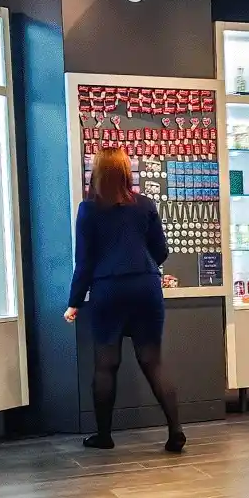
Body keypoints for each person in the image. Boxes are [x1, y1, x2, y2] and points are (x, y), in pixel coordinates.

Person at [64, 146, 185, 452]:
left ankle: (104, 436)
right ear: (127, 171)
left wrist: (75, 301)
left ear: (97, 174)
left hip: (109, 289)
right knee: (153, 361)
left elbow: (85, 261)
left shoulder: (89, 209)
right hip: (146, 286)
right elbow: (161, 252)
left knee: (106, 364)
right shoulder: (144, 205)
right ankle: (175, 432)